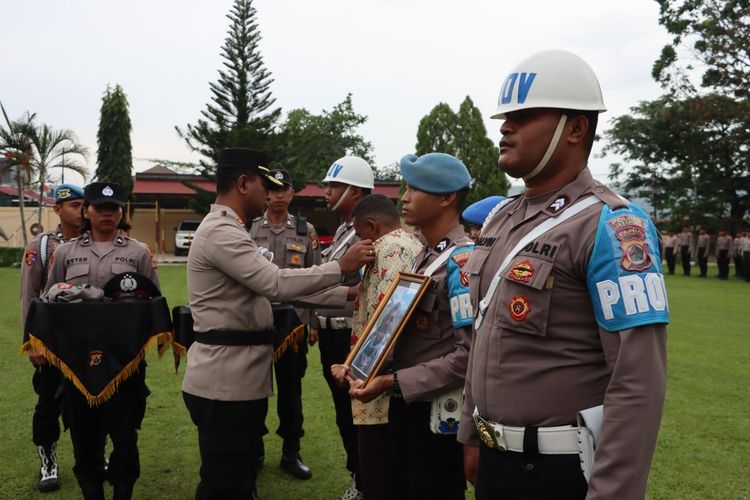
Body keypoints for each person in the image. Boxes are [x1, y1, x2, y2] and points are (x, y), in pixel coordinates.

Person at [459, 49, 668, 500]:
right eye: (506, 116)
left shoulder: (610, 225)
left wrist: (613, 491)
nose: (505, 127)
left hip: (558, 472)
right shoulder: (500, 217)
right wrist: (470, 432)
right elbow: (481, 338)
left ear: (576, 128)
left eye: (524, 115)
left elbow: (638, 381)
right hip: (496, 458)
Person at [181, 148, 374, 500]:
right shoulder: (223, 232)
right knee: (224, 484)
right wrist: (340, 268)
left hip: (237, 377)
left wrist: (350, 294)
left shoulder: (231, 230)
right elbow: (276, 284)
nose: (269, 195)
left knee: (238, 478)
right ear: (243, 183)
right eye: (263, 186)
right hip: (225, 381)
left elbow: (277, 294)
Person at [349, 152, 475, 500]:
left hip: (437, 419)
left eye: (416, 188)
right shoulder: (424, 256)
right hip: (407, 410)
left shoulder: (462, 262)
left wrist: (392, 381)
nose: (404, 197)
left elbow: (468, 357)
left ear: (447, 197)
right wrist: (360, 366)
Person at [44, 182, 160, 500]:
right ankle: (91, 492)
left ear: (121, 211)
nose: (108, 214)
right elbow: (48, 300)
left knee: (125, 435)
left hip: (124, 361)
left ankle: (123, 491)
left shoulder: (137, 253)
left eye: (114, 208)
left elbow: (154, 304)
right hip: (77, 362)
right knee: (83, 435)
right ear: (87, 211)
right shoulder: (66, 252)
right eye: (100, 208)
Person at [330, 193, 422, 500]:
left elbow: (389, 323)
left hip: (379, 388)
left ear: (371, 226)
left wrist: (355, 369)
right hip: (383, 380)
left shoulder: (391, 250)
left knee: (379, 474)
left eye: (359, 234)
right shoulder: (402, 244)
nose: (358, 242)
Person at [309, 155, 374, 499]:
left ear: (356, 190)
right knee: (343, 412)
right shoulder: (345, 228)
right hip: (331, 330)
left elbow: (363, 287)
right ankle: (358, 475)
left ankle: (364, 482)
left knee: (356, 413)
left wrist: (321, 292)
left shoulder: (367, 229)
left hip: (351, 333)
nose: (327, 192)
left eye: (334, 185)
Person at [249, 168, 320, 479]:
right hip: (257, 324)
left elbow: (317, 278)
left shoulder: (305, 231)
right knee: (254, 389)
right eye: (272, 189)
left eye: (283, 190)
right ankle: (255, 449)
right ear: (265, 193)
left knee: (291, 390)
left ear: (292, 194)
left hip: (293, 326)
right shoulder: (249, 229)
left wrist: (314, 322)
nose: (277, 195)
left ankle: (291, 451)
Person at [20, 183, 84, 492]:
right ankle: (48, 462)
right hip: (51, 342)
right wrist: (33, 341)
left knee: (92, 402)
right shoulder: (42, 246)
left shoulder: (94, 242)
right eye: (74, 205)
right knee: (47, 404)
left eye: (84, 204)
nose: (81, 209)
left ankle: (93, 457)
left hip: (86, 341)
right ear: (58, 209)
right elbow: (29, 296)